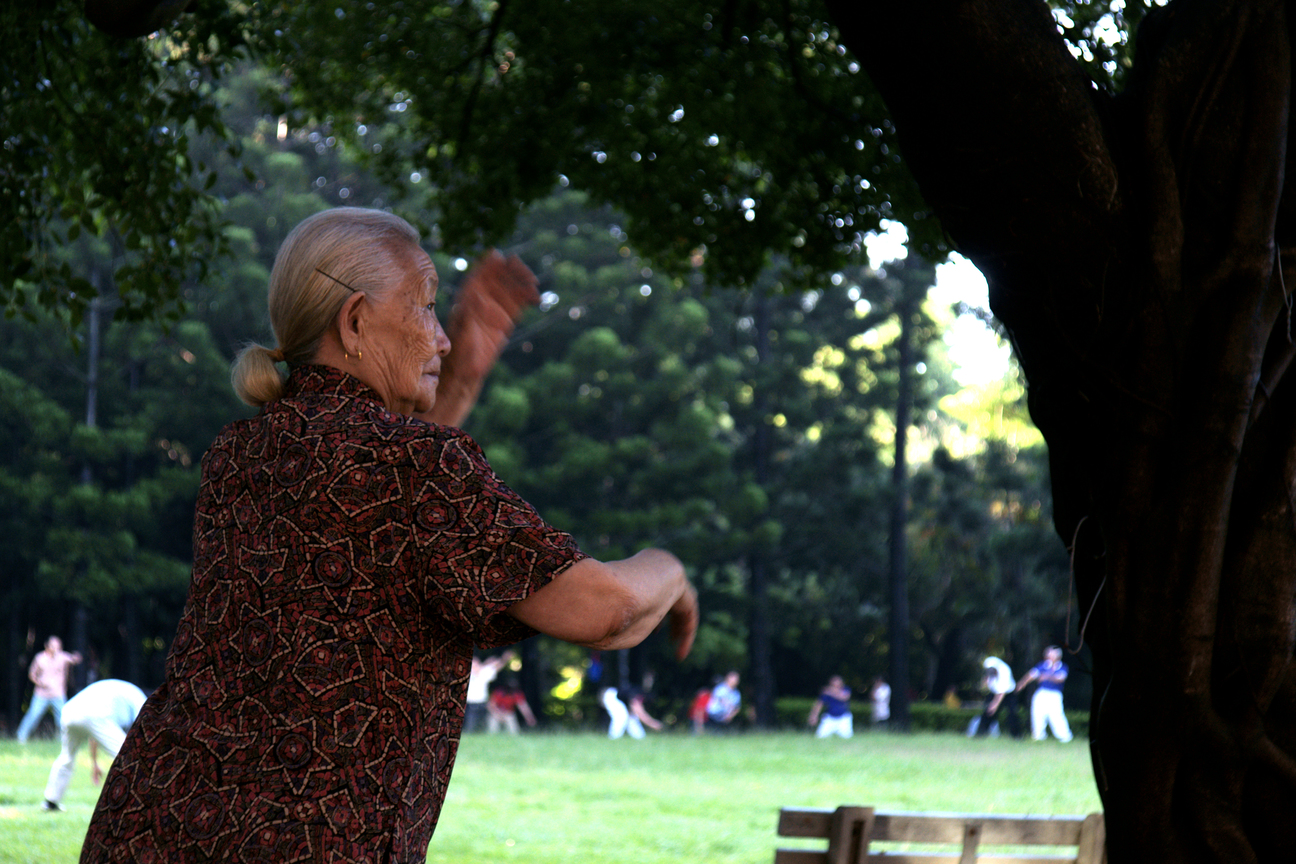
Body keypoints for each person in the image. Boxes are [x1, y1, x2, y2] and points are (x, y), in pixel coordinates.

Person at [80, 207, 699, 863]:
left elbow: (381, 518)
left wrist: (455, 384)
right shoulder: (410, 469)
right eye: (425, 309)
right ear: (353, 321)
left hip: (150, 823)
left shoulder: (239, 454)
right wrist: (671, 570)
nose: (443, 338)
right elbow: (606, 611)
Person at [41, 679, 146, 812]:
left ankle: (51, 802)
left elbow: (94, 732)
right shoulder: (140, 700)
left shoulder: (122, 691)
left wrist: (94, 762)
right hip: (95, 715)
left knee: (67, 757)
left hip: (70, 712)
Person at [17, 636, 82, 744]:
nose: (56, 648)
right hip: (41, 694)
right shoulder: (40, 658)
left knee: (63, 718)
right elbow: (32, 674)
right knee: (33, 714)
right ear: (47, 646)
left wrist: (76, 657)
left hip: (58, 694)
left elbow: (73, 659)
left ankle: (64, 741)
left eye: (58, 646)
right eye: (53, 646)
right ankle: (21, 737)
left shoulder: (62, 657)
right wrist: (40, 683)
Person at [1015, 645, 1073, 742]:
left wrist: (1045, 676)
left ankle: (1064, 737)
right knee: (1037, 713)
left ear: (1057, 656)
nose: (1048, 657)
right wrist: (1021, 684)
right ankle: (1038, 736)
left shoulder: (1063, 666)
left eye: (1051, 655)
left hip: (1055, 694)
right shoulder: (1042, 665)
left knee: (1056, 714)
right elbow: (1031, 675)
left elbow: (1060, 679)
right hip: (1042, 692)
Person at [466, 650, 515, 732]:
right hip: (470, 704)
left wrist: (504, 659)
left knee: (484, 724)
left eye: (476, 664)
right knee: (470, 725)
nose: (475, 666)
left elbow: (497, 667)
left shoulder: (484, 674)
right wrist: (485, 664)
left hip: (482, 703)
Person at [973, 656, 1021, 738]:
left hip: (1008, 694)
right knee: (987, 713)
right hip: (995, 693)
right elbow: (988, 684)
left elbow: (1001, 693)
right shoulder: (989, 667)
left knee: (1012, 714)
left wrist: (994, 705)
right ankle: (980, 734)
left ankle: (1017, 736)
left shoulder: (1004, 670)